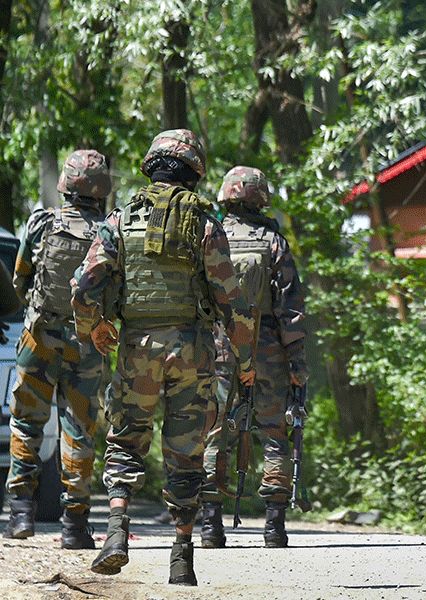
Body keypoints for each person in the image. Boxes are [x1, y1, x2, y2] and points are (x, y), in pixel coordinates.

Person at [72, 129, 256, 585]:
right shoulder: (207, 225)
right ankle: (181, 557)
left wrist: (93, 327)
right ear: (195, 172)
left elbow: (84, 285)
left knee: (126, 440)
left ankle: (116, 533)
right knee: (186, 454)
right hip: (193, 351)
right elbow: (232, 301)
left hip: (136, 350)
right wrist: (247, 362)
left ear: (151, 167)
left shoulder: (118, 222)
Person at [2, 150, 111, 548]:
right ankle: (74, 527)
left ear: (65, 184)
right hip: (86, 344)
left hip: (39, 338)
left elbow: (20, 280)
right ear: (102, 189)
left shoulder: (41, 223)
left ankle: (20, 516)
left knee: (26, 423)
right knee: (78, 431)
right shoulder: (109, 232)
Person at [199, 166, 308, 549]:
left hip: (220, 349)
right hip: (268, 351)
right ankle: (274, 528)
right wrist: (297, 364)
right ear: (260, 197)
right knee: (275, 434)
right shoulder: (273, 242)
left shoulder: (210, 237)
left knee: (215, 433)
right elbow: (289, 310)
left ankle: (211, 527)